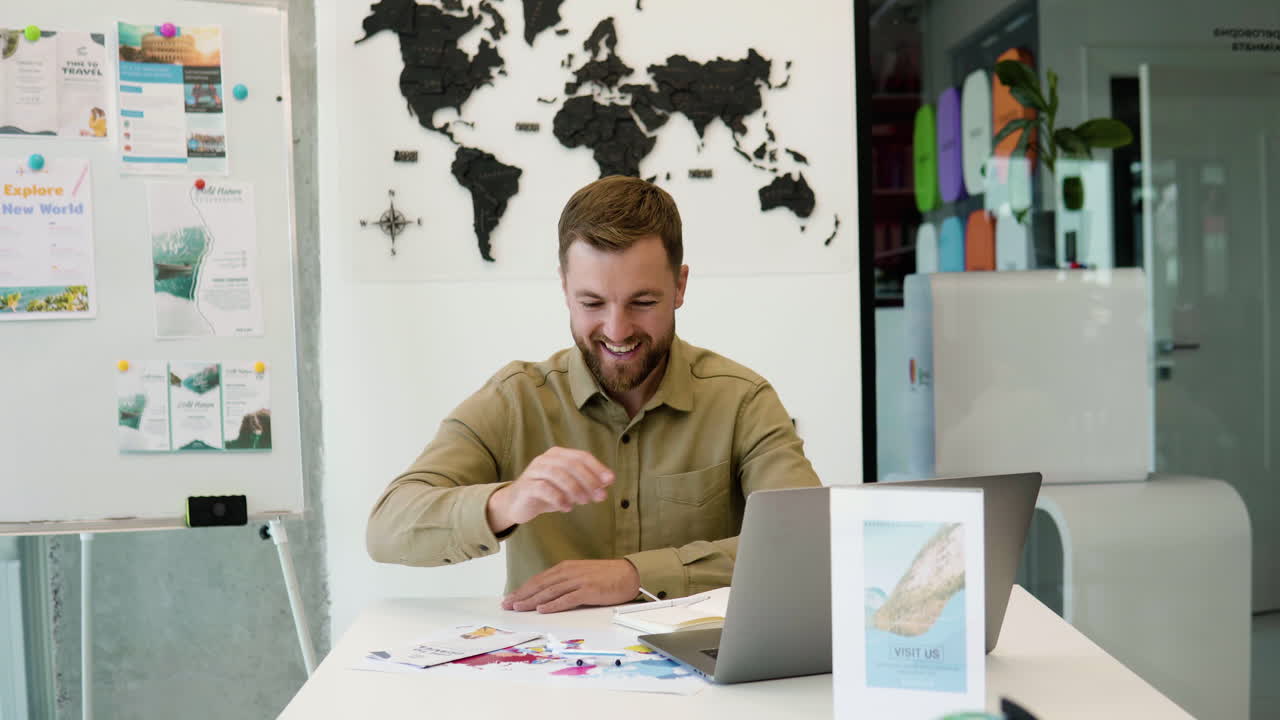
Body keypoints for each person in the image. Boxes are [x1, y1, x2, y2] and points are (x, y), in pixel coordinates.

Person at [366, 175, 821, 613]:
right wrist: (506, 502)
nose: (617, 330)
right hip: (550, 664)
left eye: (643, 302)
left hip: (703, 665)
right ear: (565, 288)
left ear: (680, 286)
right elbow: (386, 528)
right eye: (592, 303)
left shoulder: (743, 402)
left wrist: (636, 576)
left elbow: (808, 544)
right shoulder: (516, 400)